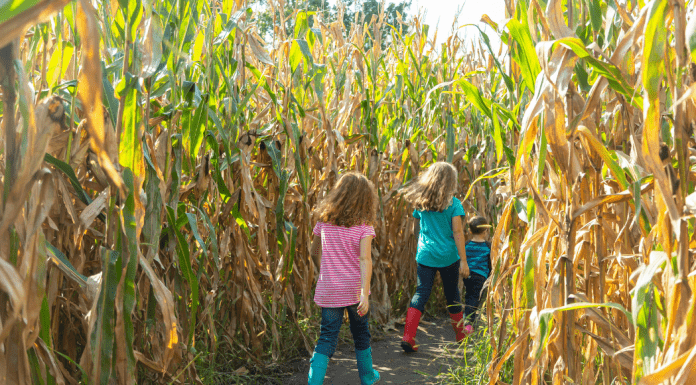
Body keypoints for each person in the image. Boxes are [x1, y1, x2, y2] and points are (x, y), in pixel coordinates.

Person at [307, 172, 381, 385]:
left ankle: (314, 382)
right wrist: (364, 295)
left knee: (327, 338)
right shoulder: (364, 226)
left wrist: (326, 273)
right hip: (354, 289)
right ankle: (367, 377)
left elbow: (313, 252)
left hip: (329, 289)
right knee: (361, 334)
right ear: (365, 198)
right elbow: (365, 260)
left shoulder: (323, 222)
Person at [400, 162, 470, 353]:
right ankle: (461, 336)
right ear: (451, 182)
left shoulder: (420, 202)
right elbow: (457, 232)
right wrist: (463, 260)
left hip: (426, 255)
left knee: (421, 292)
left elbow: (416, 229)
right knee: (452, 294)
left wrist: (423, 244)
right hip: (448, 256)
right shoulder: (454, 204)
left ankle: (408, 336)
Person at [462, 216, 492, 330]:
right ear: (485, 231)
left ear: (470, 231)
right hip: (481, 276)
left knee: (469, 295)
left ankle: (468, 318)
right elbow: (490, 263)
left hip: (468, 275)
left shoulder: (466, 244)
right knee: (475, 298)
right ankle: (468, 324)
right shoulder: (488, 246)